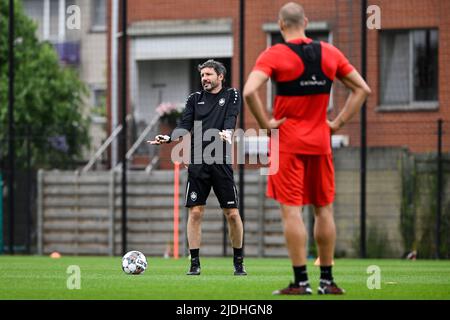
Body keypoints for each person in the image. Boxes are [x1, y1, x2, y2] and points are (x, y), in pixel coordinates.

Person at [243, 2, 370, 295]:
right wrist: (336, 123)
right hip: (321, 142)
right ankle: (327, 281)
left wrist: (266, 124)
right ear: (307, 22)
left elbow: (250, 90)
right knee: (323, 211)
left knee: (292, 213)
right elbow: (363, 89)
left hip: (287, 144)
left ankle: (301, 282)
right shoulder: (329, 52)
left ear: (281, 24)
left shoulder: (274, 54)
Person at [149, 59, 247, 276]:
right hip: (198, 163)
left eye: (209, 74)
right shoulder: (194, 99)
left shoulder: (232, 95)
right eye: (203, 75)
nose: (205, 79)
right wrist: (168, 137)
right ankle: (194, 263)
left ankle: (238, 263)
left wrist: (228, 132)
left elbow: (231, 117)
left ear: (220, 76)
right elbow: (185, 125)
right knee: (195, 213)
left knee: (232, 213)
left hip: (221, 162)